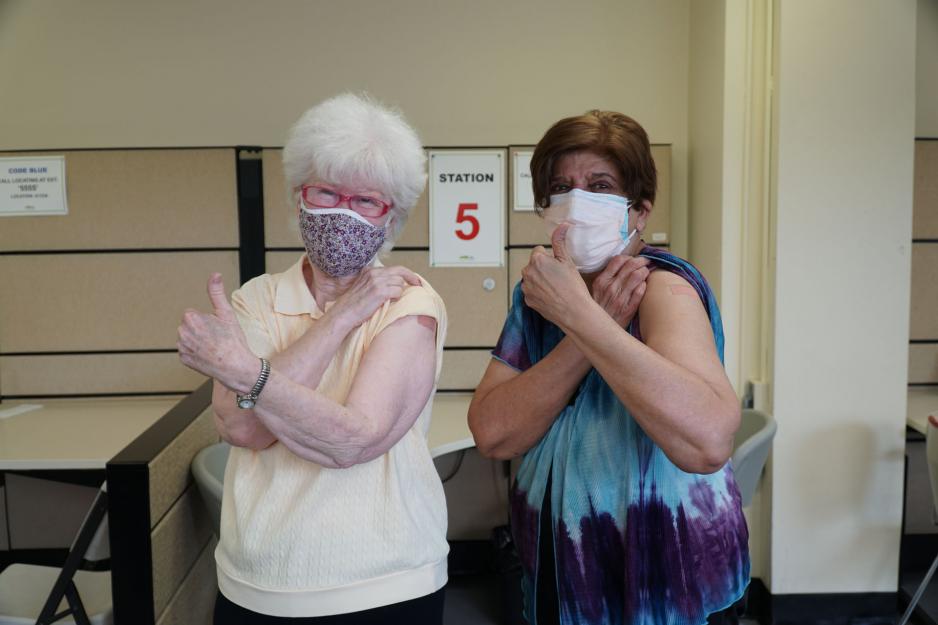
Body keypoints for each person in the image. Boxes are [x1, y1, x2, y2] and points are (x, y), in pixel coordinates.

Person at [468, 110, 750, 625]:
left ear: (638, 211)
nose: (576, 202)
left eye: (600, 186)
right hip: (562, 570)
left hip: (666, 577)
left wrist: (581, 319)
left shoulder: (661, 287)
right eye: (561, 187)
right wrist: (583, 323)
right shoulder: (538, 297)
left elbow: (709, 441)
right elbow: (494, 434)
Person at [177, 93, 449, 624]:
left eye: (366, 200)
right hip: (255, 580)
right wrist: (342, 317)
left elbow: (352, 440)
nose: (344, 212)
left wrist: (241, 371)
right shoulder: (255, 298)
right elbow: (242, 428)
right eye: (327, 191)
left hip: (383, 585)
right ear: (299, 196)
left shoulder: (409, 302)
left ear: (391, 216)